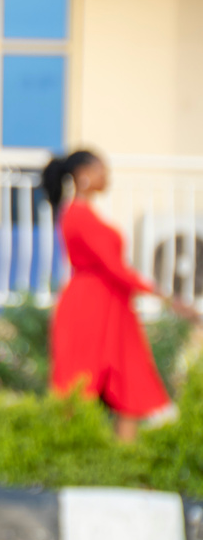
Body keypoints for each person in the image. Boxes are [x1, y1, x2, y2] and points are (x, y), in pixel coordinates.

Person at [46, 149, 197, 441]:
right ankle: (65, 458)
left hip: (113, 307)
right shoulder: (76, 215)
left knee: (130, 385)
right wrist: (168, 299)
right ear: (84, 175)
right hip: (88, 308)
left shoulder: (86, 213)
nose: (107, 176)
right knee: (77, 387)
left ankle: (124, 466)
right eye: (101, 169)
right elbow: (114, 267)